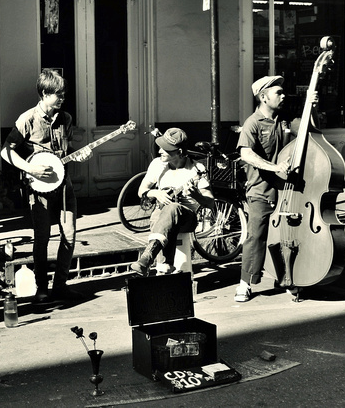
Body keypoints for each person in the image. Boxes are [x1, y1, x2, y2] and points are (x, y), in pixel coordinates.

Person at [0, 69, 92, 303]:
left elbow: (64, 153)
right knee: (42, 238)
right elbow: (6, 151)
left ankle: (60, 285)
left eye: (63, 94)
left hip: (64, 187)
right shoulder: (27, 119)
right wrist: (29, 169)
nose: (62, 98)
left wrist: (78, 155)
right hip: (38, 190)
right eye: (57, 94)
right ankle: (42, 287)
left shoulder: (66, 119)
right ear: (44, 94)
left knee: (69, 236)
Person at [235, 75, 318, 302]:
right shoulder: (252, 123)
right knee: (257, 235)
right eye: (278, 93)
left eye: (283, 92)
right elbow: (246, 154)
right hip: (261, 189)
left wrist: (311, 107)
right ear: (263, 97)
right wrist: (274, 167)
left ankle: (289, 277)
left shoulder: (284, 120)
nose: (283, 96)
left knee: (289, 235)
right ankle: (245, 283)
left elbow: (308, 133)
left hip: (287, 190)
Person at [129, 128, 215, 276]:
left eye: (166, 149)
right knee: (163, 216)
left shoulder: (196, 169)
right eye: (161, 147)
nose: (160, 151)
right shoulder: (157, 164)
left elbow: (211, 203)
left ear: (179, 152)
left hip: (187, 218)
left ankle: (147, 259)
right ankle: (165, 266)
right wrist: (156, 193)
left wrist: (196, 195)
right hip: (160, 216)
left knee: (173, 208)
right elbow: (141, 190)